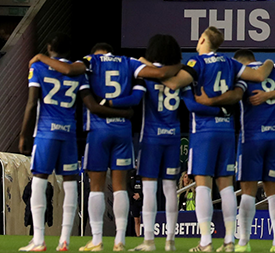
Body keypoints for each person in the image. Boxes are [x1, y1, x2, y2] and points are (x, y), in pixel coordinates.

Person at [31, 41, 172, 251]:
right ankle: (120, 240)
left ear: (96, 53)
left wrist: (41, 57)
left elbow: (69, 69)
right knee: (120, 188)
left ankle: (97, 239)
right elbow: (147, 84)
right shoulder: (128, 62)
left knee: (95, 188)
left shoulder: (91, 62)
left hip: (98, 131)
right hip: (123, 131)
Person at [158, 27, 274, 252]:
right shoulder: (231, 63)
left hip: (203, 131)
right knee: (226, 186)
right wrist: (268, 61)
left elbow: (173, 84)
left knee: (202, 184)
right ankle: (230, 241)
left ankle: (206, 242)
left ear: (202, 39)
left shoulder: (196, 63)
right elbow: (260, 75)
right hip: (227, 131)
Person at [20, 34, 132, 252]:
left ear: (49, 47)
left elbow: (32, 103)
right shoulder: (79, 73)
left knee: (39, 180)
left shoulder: (39, 68)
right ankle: (64, 240)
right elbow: (91, 104)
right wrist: (124, 112)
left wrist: (23, 134)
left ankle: (39, 239)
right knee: (70, 184)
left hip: (46, 132)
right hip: (69, 133)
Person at [228, 49, 275, 253]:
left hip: (250, 138)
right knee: (274, 192)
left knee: (248, 193)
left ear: (240, 62)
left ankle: (243, 242)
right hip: (274, 137)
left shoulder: (241, 74)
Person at [128, 34, 187, 252]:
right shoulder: (179, 74)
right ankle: (170, 240)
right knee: (170, 188)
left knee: (150, 189)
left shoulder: (147, 73)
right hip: (172, 135)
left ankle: (149, 240)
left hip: (151, 138)